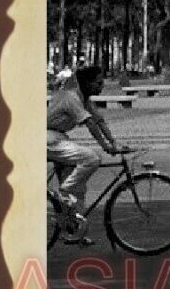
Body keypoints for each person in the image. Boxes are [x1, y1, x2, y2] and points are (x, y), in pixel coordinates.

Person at [47, 64, 121, 242]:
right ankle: (65, 190)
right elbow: (90, 124)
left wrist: (114, 142)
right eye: (98, 82)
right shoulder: (71, 98)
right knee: (92, 158)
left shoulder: (85, 99)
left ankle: (74, 231)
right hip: (48, 138)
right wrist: (105, 146)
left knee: (78, 188)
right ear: (86, 83)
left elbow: (99, 120)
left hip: (59, 138)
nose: (101, 86)